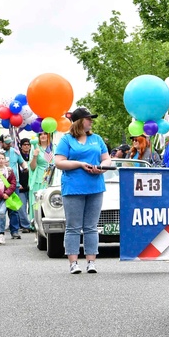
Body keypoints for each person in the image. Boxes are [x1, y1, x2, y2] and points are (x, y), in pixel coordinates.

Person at [54, 106, 111, 274]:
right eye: (88, 118)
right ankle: (73, 262)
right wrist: (79, 164)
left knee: (91, 226)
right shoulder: (66, 140)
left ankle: (91, 261)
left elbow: (107, 158)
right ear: (79, 122)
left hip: (95, 186)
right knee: (73, 226)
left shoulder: (97, 139)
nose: (91, 121)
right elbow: (59, 162)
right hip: (73, 187)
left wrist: (102, 168)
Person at [29, 131, 54, 217]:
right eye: (40, 134)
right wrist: (35, 156)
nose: (43, 136)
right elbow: (32, 167)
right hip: (39, 179)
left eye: (45, 134)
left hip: (52, 179)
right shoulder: (35, 147)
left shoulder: (53, 147)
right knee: (38, 203)